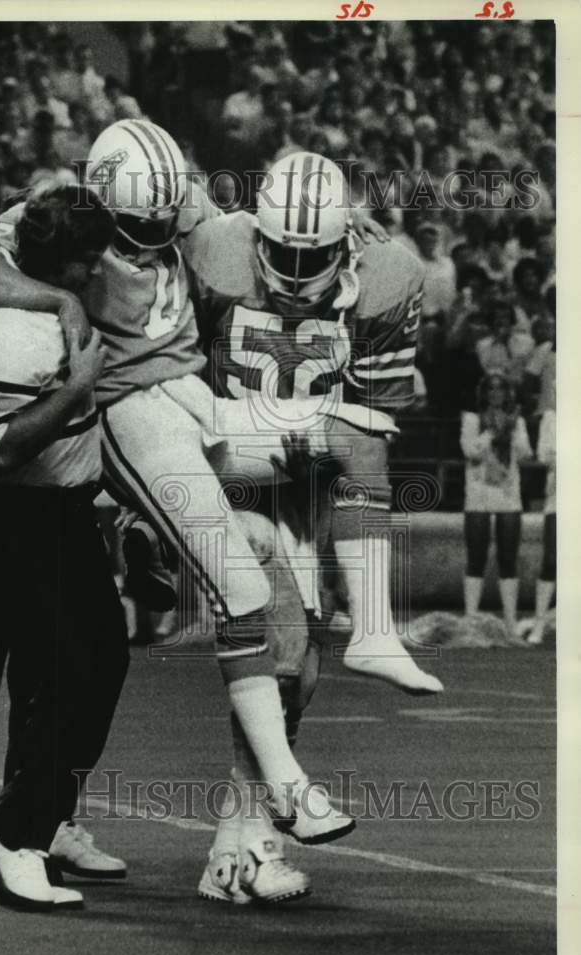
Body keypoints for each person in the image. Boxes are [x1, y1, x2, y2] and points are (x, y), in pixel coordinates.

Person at [0, 120, 363, 905]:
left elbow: (241, 230)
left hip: (188, 396)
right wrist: (62, 304)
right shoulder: (54, 212)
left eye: (159, 226)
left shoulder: (173, 195)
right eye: (131, 230)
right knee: (233, 593)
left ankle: (223, 816)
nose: (148, 241)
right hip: (128, 409)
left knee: (328, 451)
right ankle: (284, 787)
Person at [184, 151, 443, 901]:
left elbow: (378, 413)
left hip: (303, 473)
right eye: (283, 252)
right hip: (221, 452)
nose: (296, 272)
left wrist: (314, 445)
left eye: (315, 255)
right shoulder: (211, 246)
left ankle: (238, 841)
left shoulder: (388, 276)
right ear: (254, 233)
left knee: (295, 664)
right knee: (282, 636)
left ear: (347, 242)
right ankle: (256, 834)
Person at [0, 183, 129, 910]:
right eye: (90, 259)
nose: (101, 270)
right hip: (7, 513)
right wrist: (76, 390)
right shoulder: (9, 329)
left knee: (54, 674)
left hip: (51, 511)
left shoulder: (25, 295)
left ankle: (38, 821)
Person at [460, 373, 533, 637]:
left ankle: (511, 622)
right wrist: (492, 431)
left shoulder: (518, 421)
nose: (495, 394)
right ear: (484, 393)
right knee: (476, 556)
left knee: (507, 557)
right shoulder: (471, 420)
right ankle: (470, 619)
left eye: (501, 389)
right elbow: (470, 451)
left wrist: (512, 430)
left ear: (507, 393)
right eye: (490, 389)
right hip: (479, 493)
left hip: (508, 494)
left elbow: (526, 454)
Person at [525, 408, 555, 644]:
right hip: (559, 499)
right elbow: (544, 454)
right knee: (551, 560)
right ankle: (539, 623)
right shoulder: (551, 417)